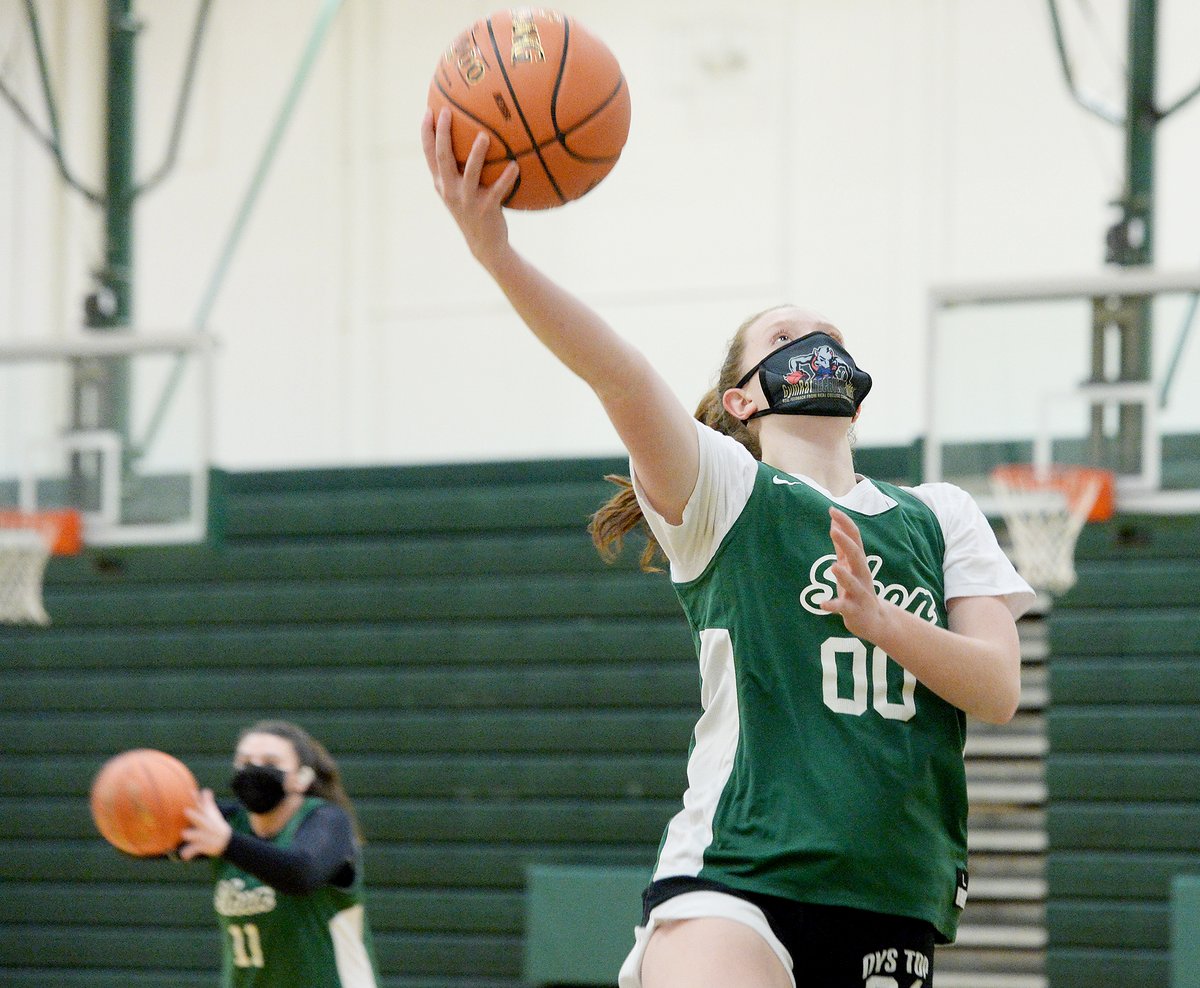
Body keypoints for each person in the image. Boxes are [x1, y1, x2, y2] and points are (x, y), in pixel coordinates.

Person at [420, 107, 1034, 988]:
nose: (814, 347)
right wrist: (498, 255)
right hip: (736, 873)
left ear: (858, 395)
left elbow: (998, 687)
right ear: (740, 399)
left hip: (891, 889)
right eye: (785, 340)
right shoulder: (725, 492)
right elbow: (620, 375)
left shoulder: (940, 513)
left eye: (829, 337)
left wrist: (881, 622)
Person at [179, 720, 379, 988]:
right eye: (245, 761)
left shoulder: (327, 821)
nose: (255, 770)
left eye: (270, 762)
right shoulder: (229, 826)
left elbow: (300, 874)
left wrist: (227, 844)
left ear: (302, 778)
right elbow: (148, 844)